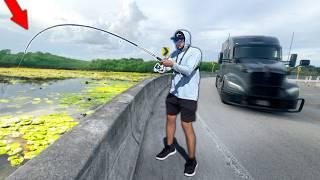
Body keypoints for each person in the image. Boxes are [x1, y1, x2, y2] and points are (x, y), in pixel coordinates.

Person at [155, 29, 202, 177]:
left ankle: (192, 160)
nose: (177, 43)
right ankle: (169, 147)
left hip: (188, 96)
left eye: (180, 40)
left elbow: (187, 71)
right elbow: (167, 67)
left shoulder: (195, 52)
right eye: (175, 40)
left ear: (186, 40)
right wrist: (161, 67)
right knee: (170, 119)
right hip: (174, 93)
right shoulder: (174, 54)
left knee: (186, 125)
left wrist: (172, 64)